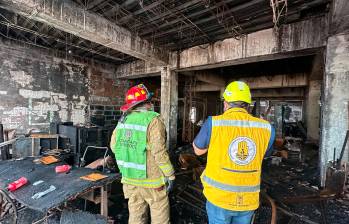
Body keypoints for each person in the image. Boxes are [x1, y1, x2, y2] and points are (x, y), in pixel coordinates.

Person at [192, 81, 275, 224]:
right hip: (248, 199)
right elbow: (264, 154)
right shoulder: (266, 128)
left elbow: (198, 151)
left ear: (226, 103)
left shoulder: (214, 123)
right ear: (248, 105)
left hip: (219, 198)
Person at [110, 84, 175, 224]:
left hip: (129, 179)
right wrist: (170, 175)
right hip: (152, 181)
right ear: (146, 103)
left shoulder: (123, 120)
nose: (151, 104)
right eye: (150, 101)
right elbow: (159, 152)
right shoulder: (153, 120)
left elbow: (114, 147)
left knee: (136, 216)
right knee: (160, 216)